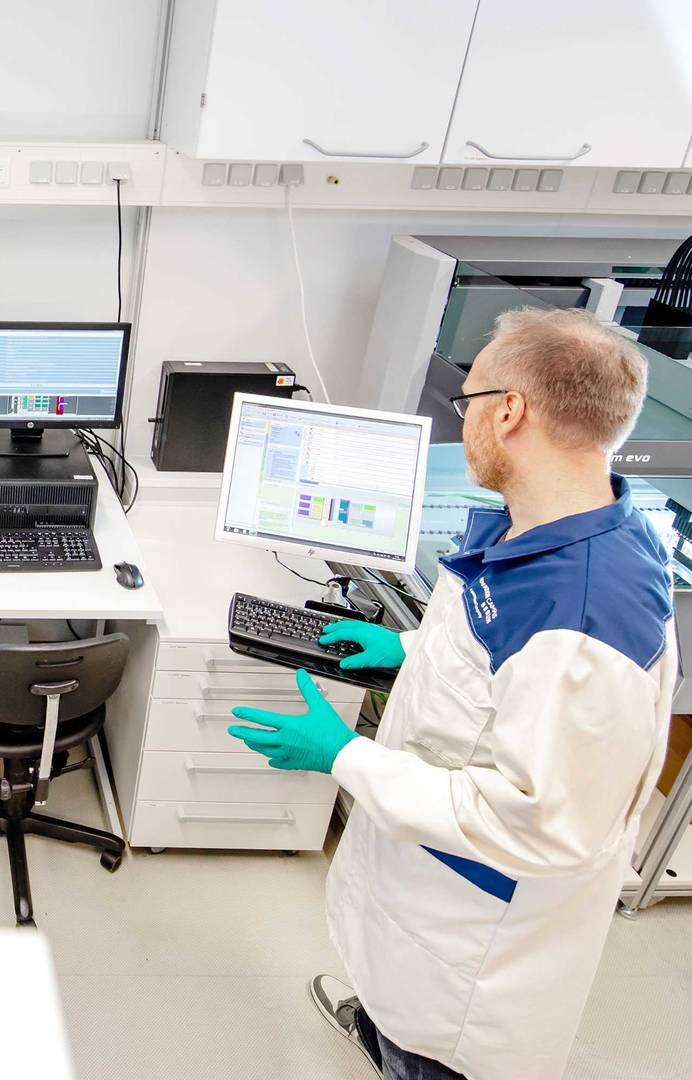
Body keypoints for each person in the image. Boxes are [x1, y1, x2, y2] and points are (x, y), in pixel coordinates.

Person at [227, 307, 675, 1080]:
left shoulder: (582, 616)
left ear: (510, 411)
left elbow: (543, 824)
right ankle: (381, 1030)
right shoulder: (562, 523)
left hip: (473, 941)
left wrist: (345, 757)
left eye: (467, 401)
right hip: (425, 888)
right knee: (393, 1002)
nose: (460, 418)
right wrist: (405, 648)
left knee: (429, 1054)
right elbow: (494, 666)